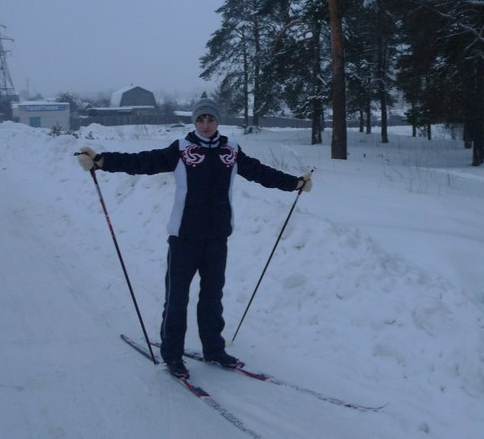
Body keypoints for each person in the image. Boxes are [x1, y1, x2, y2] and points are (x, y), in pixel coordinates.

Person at [77, 98, 312, 378]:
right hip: (184, 237)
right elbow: (143, 161)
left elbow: (260, 172)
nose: (205, 124)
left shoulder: (231, 151)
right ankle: (172, 354)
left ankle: (214, 349)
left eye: (210, 119)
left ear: (218, 121)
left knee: (212, 297)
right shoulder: (181, 149)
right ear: (194, 122)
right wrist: (102, 161)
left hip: (217, 237)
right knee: (177, 297)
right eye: (200, 119)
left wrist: (294, 183)